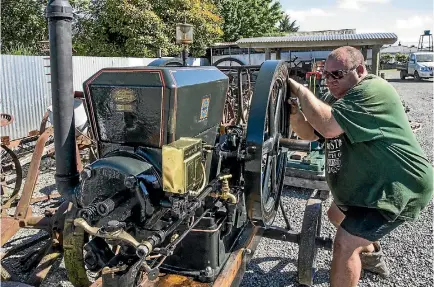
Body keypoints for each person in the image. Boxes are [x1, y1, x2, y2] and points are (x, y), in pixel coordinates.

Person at [287, 46, 433, 287]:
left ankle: (360, 254)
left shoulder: (372, 91)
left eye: (337, 74)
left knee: (345, 244)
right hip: (370, 184)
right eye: (326, 74)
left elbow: (328, 126)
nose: (330, 80)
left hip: (397, 185)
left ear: (361, 70)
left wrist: (301, 90)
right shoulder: (337, 97)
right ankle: (373, 256)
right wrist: (294, 113)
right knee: (336, 214)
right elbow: (310, 133)